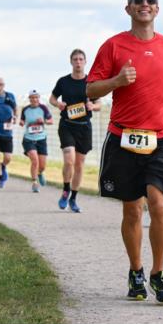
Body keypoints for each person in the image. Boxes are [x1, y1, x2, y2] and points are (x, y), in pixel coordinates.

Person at [86, 0, 163, 304]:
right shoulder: (113, 46)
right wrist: (116, 81)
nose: (145, 4)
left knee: (159, 203)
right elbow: (90, 90)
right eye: (138, 0)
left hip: (162, 136)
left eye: (151, 0)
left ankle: (158, 274)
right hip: (124, 137)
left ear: (158, 8)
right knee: (132, 210)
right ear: (128, 8)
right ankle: (136, 270)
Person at [50, 49, 101, 213]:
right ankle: (66, 190)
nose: (78, 62)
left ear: (85, 62)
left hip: (84, 127)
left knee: (79, 164)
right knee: (69, 160)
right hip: (67, 125)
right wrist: (58, 104)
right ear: (71, 62)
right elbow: (52, 98)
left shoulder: (91, 83)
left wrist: (93, 106)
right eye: (75, 59)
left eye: (81, 59)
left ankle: (73, 198)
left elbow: (99, 103)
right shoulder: (63, 81)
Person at [19, 90, 54, 193]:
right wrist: (21, 122)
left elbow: (51, 121)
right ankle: (34, 182)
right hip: (28, 139)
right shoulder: (25, 109)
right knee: (35, 160)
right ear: (29, 99)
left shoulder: (43, 108)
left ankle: (40, 173)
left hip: (41, 139)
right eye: (32, 97)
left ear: (39, 98)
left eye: (36, 97)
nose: (34, 99)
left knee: (42, 165)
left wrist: (44, 121)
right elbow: (22, 120)